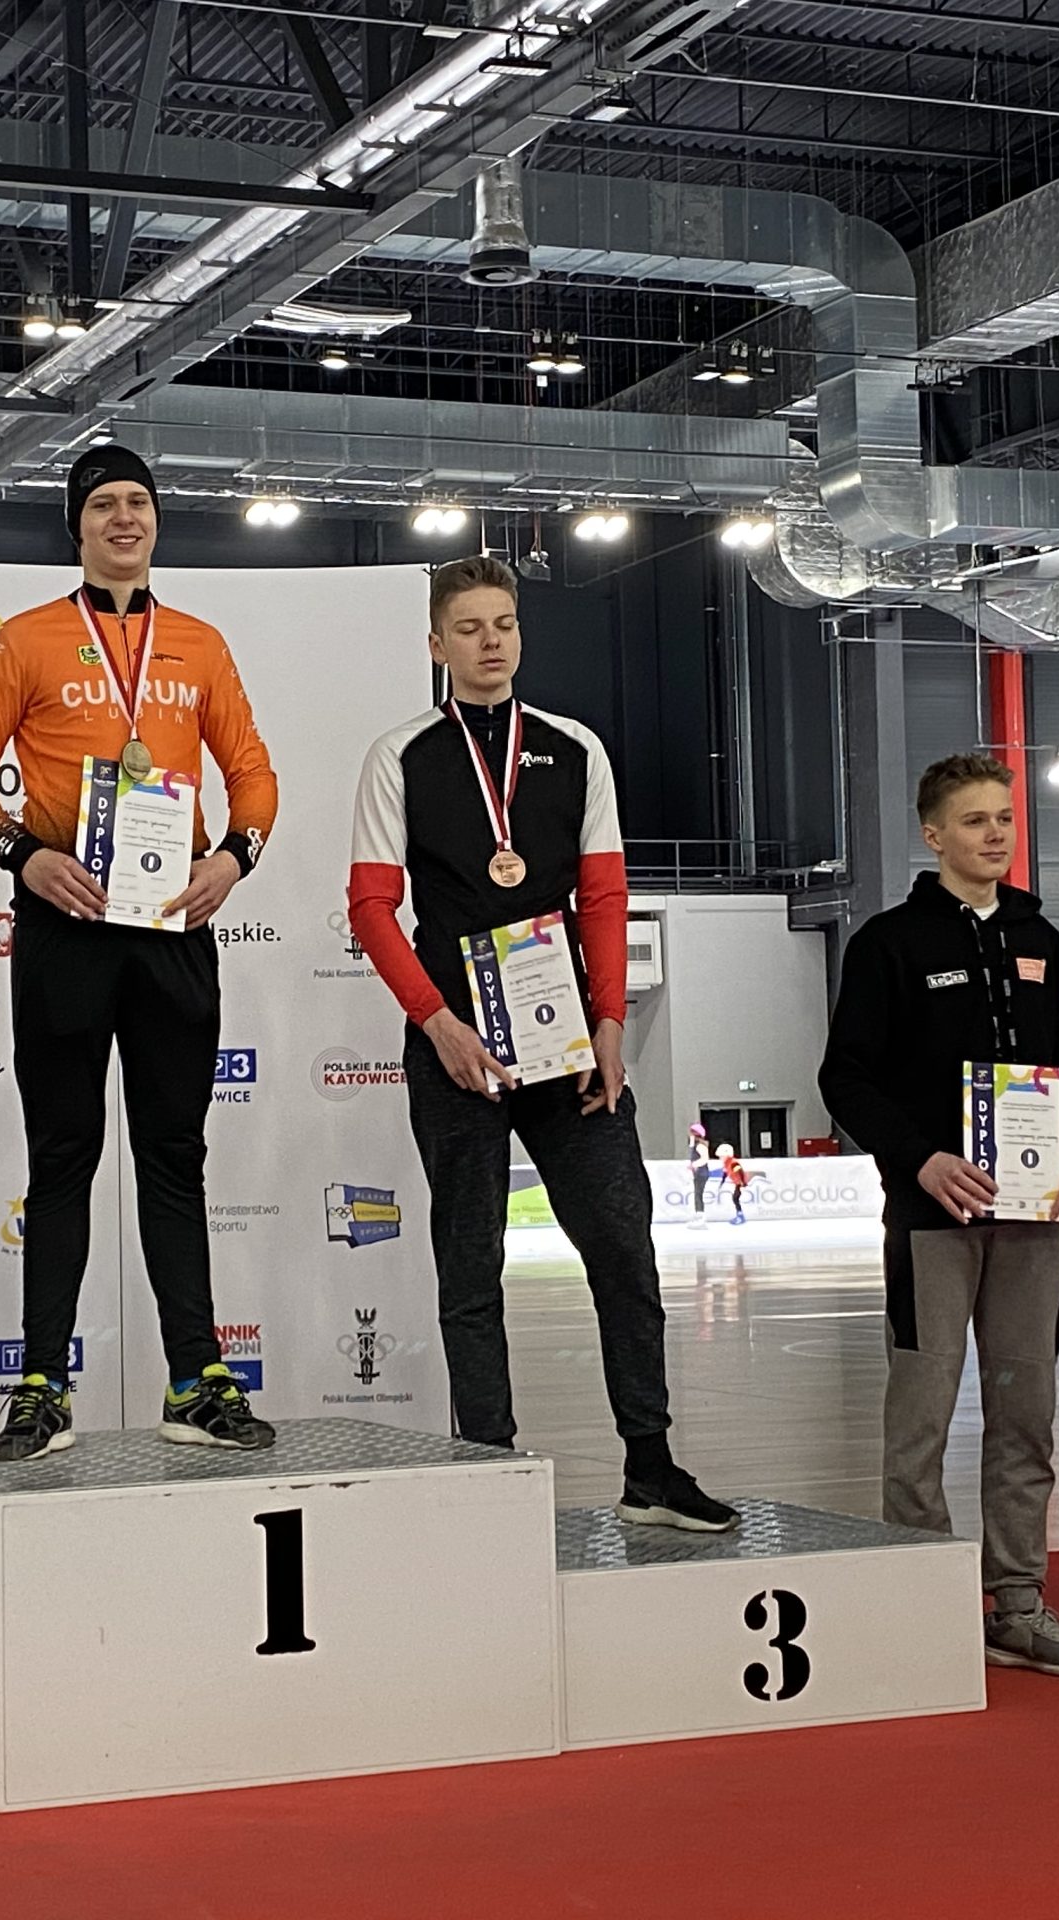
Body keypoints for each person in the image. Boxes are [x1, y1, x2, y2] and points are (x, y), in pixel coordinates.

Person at [346, 553, 734, 1531]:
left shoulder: (574, 748)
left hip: (567, 1046)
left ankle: (651, 1467)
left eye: (505, 624)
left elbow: (602, 896)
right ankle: (489, 1472)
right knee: (470, 1265)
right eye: (469, 628)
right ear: (436, 644)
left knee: (622, 1246)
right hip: (456, 1046)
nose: (491, 642)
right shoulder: (400, 755)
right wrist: (436, 1024)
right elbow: (372, 909)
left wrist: (610, 1024)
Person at [0, 445, 280, 1461]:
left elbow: (253, 775)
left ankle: (195, 1380)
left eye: (138, 502)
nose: (123, 519)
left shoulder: (200, 644)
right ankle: (42, 1384)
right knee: (62, 1157)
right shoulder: (29, 638)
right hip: (67, 925)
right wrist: (24, 855)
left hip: (173, 925)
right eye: (102, 506)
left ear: (156, 520)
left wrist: (233, 858)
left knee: (174, 1156)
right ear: (76, 527)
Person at [817, 752, 1059, 1677]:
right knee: (922, 1419)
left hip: (1033, 1224)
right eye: (975, 821)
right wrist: (921, 1160)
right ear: (933, 834)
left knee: (1027, 1417)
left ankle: (1017, 1600)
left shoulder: (1039, 937)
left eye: (1005, 819)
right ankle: (920, 1600)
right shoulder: (888, 944)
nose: (995, 835)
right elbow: (845, 1077)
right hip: (932, 1221)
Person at [687, 1123, 713, 1227]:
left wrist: (694, 1164)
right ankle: (698, 1215)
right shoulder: (695, 1145)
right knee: (697, 1195)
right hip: (698, 1173)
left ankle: (701, 1217)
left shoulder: (700, 1146)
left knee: (699, 1195)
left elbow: (705, 1158)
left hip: (701, 1173)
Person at [722, 1145, 751, 1225]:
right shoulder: (726, 1163)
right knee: (735, 1199)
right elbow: (725, 1173)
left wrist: (743, 1183)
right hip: (737, 1183)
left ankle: (740, 1217)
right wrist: (722, 1182)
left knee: (735, 1198)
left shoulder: (733, 1163)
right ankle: (740, 1215)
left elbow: (740, 1172)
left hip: (739, 1183)